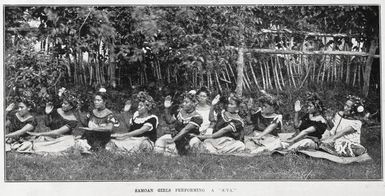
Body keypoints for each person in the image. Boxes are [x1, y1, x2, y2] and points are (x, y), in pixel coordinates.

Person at [22, 88, 80, 154]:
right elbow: (47, 124)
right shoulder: (58, 110)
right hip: (52, 136)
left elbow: (58, 132)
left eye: (65, 104)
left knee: (66, 142)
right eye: (63, 103)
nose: (62, 105)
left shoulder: (73, 120)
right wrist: (47, 114)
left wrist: (39, 133)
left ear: (71, 106)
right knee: (39, 139)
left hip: (63, 139)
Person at [154, 91, 203, 156]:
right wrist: (166, 108)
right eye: (183, 102)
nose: (183, 104)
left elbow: (186, 130)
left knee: (170, 150)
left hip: (188, 138)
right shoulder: (180, 112)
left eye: (186, 102)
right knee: (159, 142)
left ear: (194, 103)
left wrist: (173, 140)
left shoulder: (197, 117)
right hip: (176, 135)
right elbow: (170, 121)